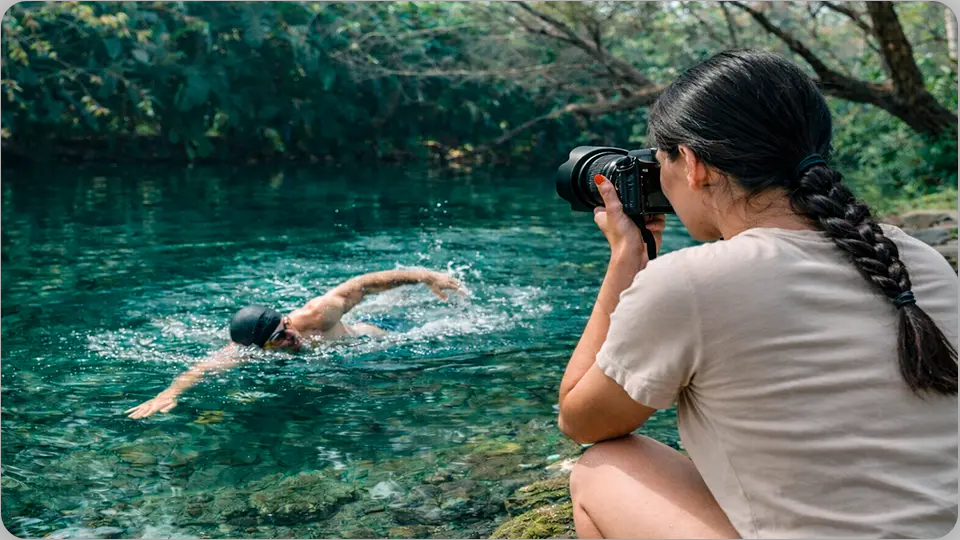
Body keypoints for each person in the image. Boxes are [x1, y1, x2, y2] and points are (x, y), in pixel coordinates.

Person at [558, 49, 958, 539]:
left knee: (602, 466)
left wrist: (626, 261)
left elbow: (582, 421)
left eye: (661, 159)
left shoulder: (692, 282)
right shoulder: (917, 260)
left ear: (692, 164)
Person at [125, 268, 464, 419]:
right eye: (277, 341)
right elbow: (201, 369)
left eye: (285, 328)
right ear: (259, 349)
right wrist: (167, 394)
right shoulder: (245, 352)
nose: (291, 338)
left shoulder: (318, 314)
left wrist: (424, 276)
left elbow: (364, 284)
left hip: (379, 335)